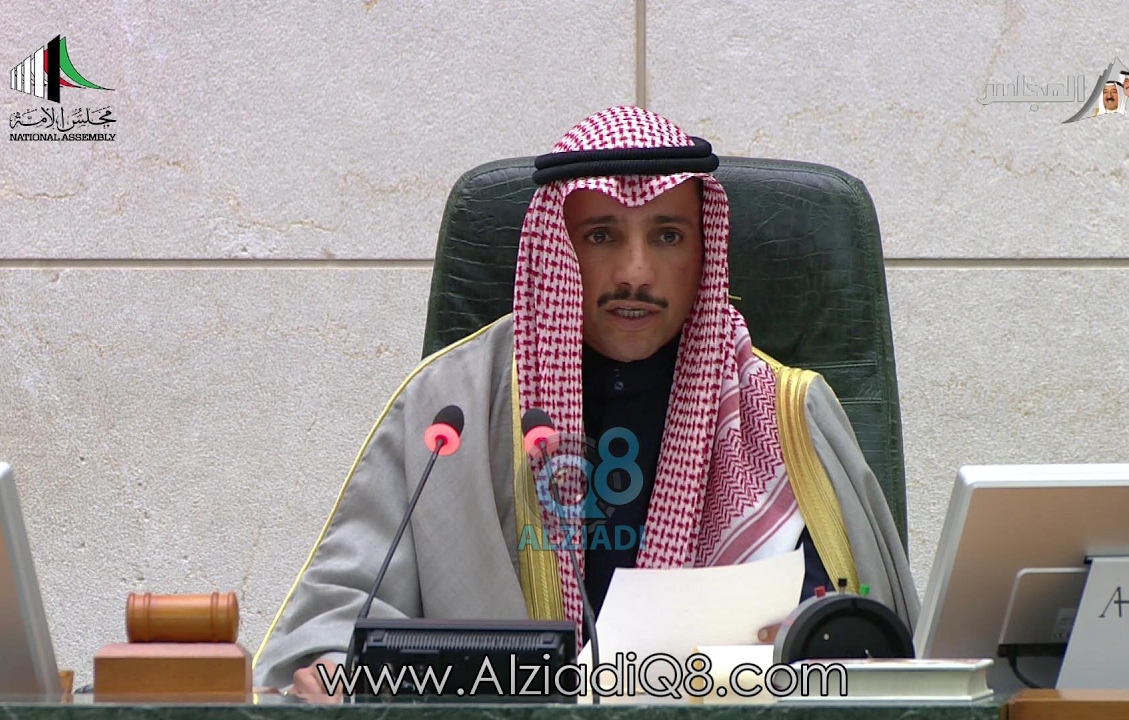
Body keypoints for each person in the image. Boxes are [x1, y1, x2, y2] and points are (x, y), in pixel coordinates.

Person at [251, 106, 920, 702]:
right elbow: (335, 620)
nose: (635, 272)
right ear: (557, 249)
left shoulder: (783, 414)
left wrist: (809, 637)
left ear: (704, 250)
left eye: (667, 236)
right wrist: (332, 666)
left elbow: (870, 640)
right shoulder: (452, 407)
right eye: (601, 235)